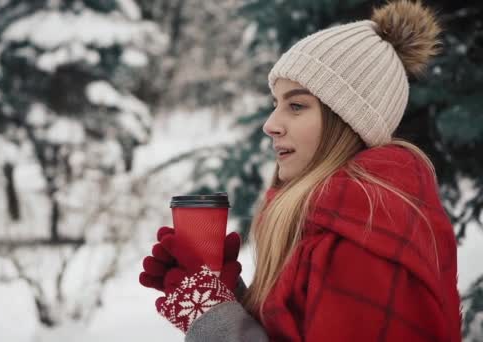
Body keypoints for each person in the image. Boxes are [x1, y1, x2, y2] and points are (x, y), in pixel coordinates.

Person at [138, 1, 462, 341]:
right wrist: (227, 296)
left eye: (296, 105)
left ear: (348, 122)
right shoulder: (331, 221)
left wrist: (213, 318)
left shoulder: (363, 240)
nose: (271, 125)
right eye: (274, 104)